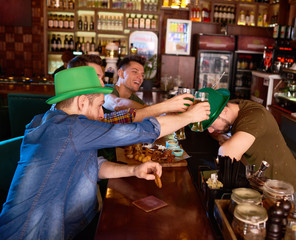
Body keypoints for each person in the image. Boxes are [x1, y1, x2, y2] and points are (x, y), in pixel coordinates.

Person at [0, 66, 210, 239]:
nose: (103, 115)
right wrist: (189, 117)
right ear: (82, 102)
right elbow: (142, 131)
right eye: (100, 106)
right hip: (29, 233)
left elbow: (92, 165)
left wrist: (134, 170)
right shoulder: (70, 129)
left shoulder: (53, 119)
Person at [198, 87, 296, 217]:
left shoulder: (254, 116)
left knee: (288, 234)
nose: (211, 131)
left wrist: (228, 143)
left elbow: (227, 153)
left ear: (223, 111)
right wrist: (221, 136)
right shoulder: (234, 108)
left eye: (211, 125)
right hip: (266, 188)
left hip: (290, 189)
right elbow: (217, 135)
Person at [68, 54, 195, 123]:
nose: (140, 77)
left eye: (142, 75)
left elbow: (149, 117)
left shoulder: (137, 101)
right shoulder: (105, 90)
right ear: (121, 73)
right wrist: (163, 107)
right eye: (135, 72)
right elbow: (118, 104)